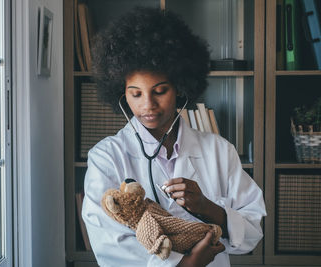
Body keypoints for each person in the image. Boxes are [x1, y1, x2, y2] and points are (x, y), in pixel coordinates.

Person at [81, 6, 266, 267]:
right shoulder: (106, 157)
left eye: (160, 91)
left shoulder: (219, 150)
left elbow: (253, 230)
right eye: (136, 94)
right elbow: (109, 243)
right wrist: (186, 265)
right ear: (121, 94)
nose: (148, 105)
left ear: (180, 87)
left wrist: (207, 207)